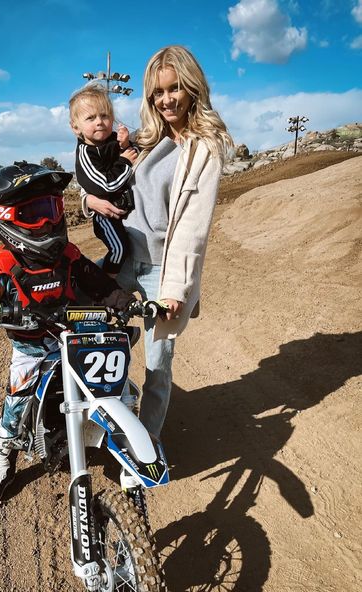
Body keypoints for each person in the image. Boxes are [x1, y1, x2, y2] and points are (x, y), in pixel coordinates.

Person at [0, 161, 136, 508]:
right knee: (16, 402)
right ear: (6, 216)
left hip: (72, 338)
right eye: (35, 212)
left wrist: (127, 303)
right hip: (31, 350)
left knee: (115, 380)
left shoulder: (68, 255)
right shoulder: (0, 263)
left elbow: (100, 284)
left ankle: (126, 435)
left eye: (52, 208)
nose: (48, 221)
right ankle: (1, 465)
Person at [83, 46, 233, 438]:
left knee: (157, 364)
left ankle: (146, 444)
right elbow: (98, 179)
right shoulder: (146, 139)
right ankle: (82, 424)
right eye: (157, 92)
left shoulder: (204, 148)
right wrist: (88, 201)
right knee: (78, 322)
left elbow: (192, 226)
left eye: (174, 89)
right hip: (122, 258)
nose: (165, 100)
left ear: (192, 88)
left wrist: (176, 290)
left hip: (160, 273)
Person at [70, 83, 138, 276]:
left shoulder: (112, 140)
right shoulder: (85, 154)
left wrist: (125, 144)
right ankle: (108, 281)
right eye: (90, 118)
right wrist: (124, 162)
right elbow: (105, 186)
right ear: (76, 127)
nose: (99, 122)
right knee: (119, 249)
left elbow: (134, 153)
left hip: (123, 211)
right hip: (106, 217)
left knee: (127, 248)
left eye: (104, 116)